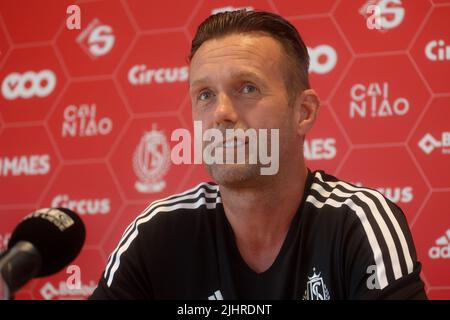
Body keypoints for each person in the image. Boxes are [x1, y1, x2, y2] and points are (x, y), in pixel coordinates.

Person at [90, 10, 426, 300]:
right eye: (205, 94)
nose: (221, 113)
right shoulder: (158, 232)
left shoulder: (358, 222)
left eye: (247, 88)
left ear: (304, 112)